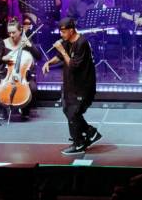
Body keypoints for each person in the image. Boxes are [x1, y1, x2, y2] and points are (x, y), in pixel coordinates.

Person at [42, 18, 100, 155]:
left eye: (63, 32)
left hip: (83, 86)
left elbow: (73, 65)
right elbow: (60, 57)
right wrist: (48, 63)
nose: (61, 35)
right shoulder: (67, 41)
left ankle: (79, 142)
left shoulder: (82, 43)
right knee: (67, 110)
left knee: (73, 112)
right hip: (71, 84)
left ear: (71, 30)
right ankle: (90, 133)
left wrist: (62, 50)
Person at [0, 18, 42, 119]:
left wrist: (30, 46)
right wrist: (4, 58)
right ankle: (1, 107)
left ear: (20, 31)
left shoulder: (26, 42)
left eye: (14, 32)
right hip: (6, 73)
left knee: (33, 89)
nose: (11, 35)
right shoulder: (3, 43)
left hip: (23, 74)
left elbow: (39, 56)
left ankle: (25, 109)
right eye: (9, 33)